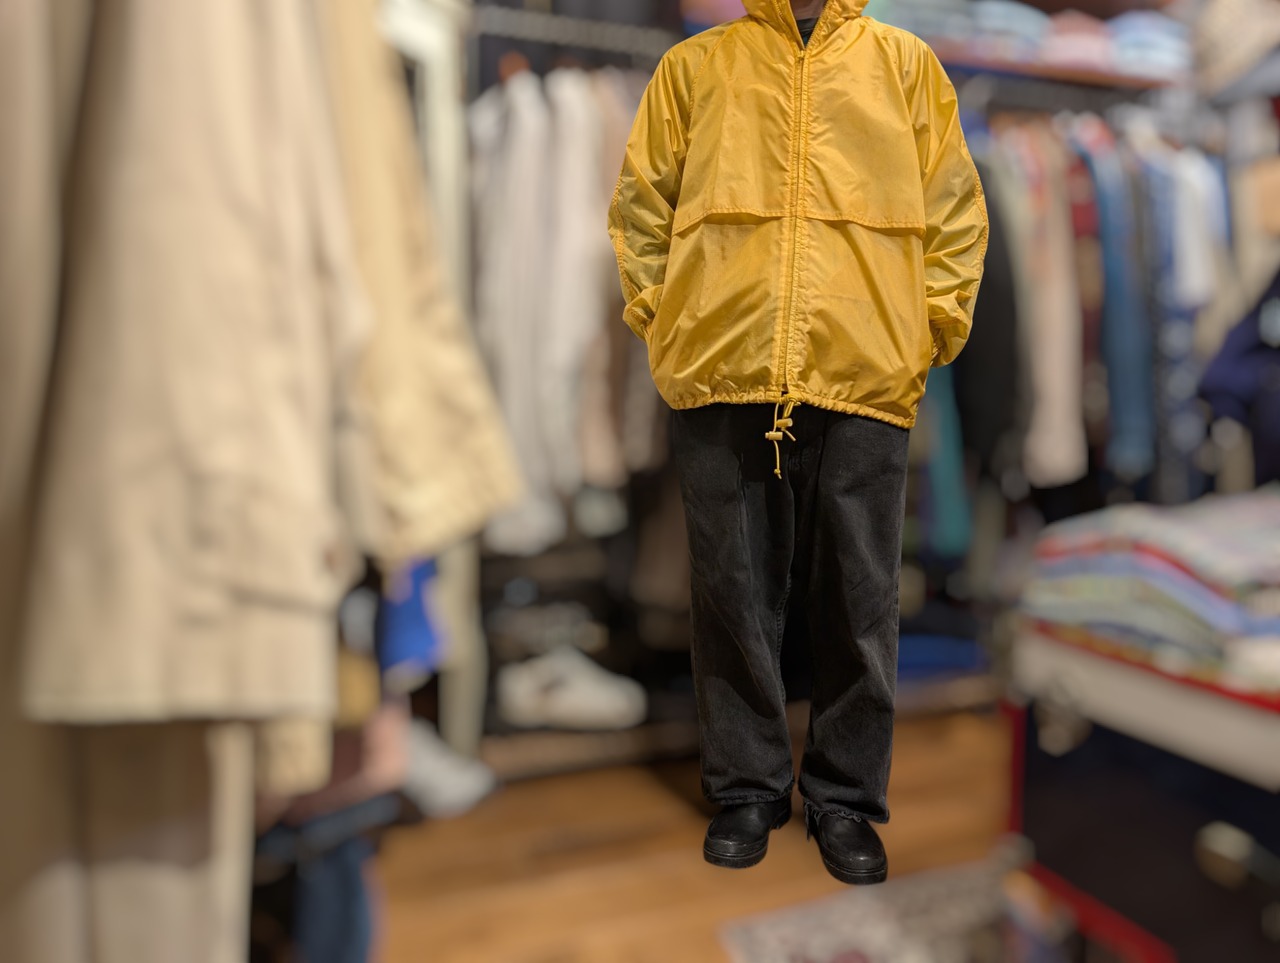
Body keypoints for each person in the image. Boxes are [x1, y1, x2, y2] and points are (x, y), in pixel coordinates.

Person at [608, 0, 987, 884]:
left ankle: (847, 797)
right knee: (731, 594)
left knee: (861, 598)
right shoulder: (693, 68)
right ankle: (747, 786)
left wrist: (924, 333)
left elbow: (956, 214)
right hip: (723, 370)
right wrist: (669, 320)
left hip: (867, 375)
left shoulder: (907, 68)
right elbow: (641, 208)